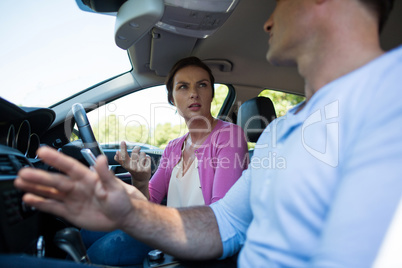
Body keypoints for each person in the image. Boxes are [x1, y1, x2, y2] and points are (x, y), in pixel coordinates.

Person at [11, 0, 402, 267]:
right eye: (183, 87)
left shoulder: (389, 98)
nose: (267, 21)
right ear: (173, 100)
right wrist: (134, 203)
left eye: (279, 2)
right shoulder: (277, 134)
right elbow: (224, 221)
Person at [79, 56, 249, 265]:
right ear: (172, 98)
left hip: (198, 240)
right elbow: (148, 204)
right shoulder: (173, 146)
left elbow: (220, 215)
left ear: (212, 94)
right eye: (183, 87)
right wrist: (140, 180)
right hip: (165, 231)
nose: (194, 93)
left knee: (102, 253)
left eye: (202, 85)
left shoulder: (229, 136)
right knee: (86, 232)